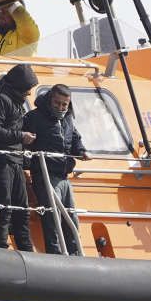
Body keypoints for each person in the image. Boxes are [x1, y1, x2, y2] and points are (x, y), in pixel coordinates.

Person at [0, 64, 39, 251]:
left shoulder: (14, 101)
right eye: (28, 88)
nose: (29, 93)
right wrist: (21, 136)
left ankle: (24, 246)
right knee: (4, 206)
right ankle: (1, 247)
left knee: (22, 207)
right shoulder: (1, 100)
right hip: (0, 160)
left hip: (14, 159)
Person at [24, 83, 89, 254]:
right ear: (49, 101)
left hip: (63, 175)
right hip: (45, 174)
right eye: (57, 103)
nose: (60, 107)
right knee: (53, 217)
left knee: (71, 216)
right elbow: (24, 143)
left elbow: (74, 137)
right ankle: (55, 253)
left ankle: (74, 252)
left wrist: (81, 151)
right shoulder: (34, 117)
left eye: (64, 104)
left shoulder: (67, 118)